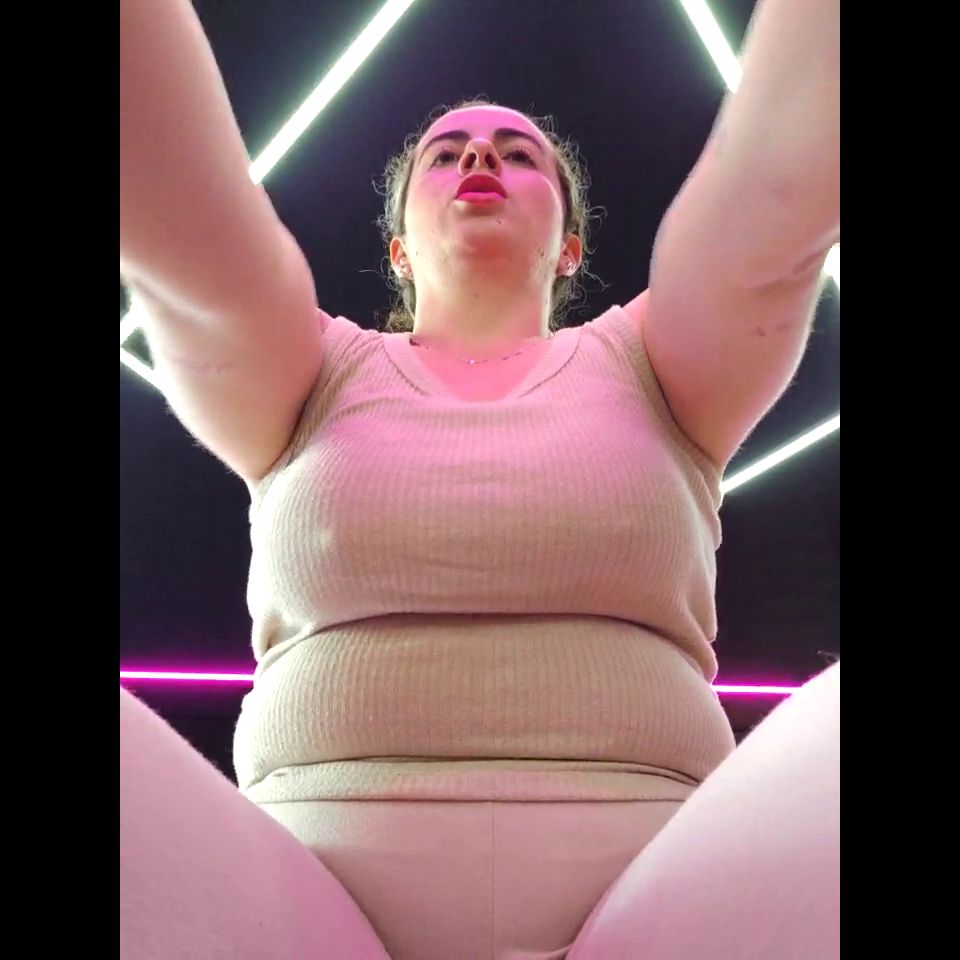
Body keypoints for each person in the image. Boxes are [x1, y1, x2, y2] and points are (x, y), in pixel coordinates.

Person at [120, 0, 839, 957]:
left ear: (570, 245)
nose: (480, 158)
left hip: (663, 900)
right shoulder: (310, 369)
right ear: (398, 248)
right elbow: (193, 236)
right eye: (446, 152)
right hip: (298, 907)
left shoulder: (653, 363)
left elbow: (773, 196)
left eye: (518, 152)